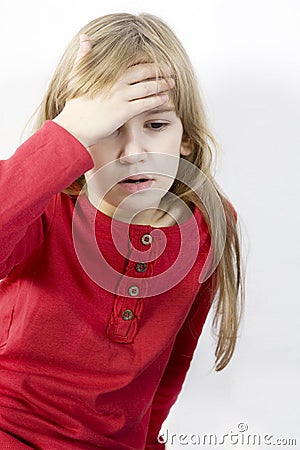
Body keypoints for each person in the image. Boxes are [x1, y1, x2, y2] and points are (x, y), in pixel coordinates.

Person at [0, 12, 243, 450]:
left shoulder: (209, 223)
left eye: (156, 125)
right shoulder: (45, 205)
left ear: (185, 137)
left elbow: (168, 369)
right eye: (108, 127)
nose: (133, 152)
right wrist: (67, 133)